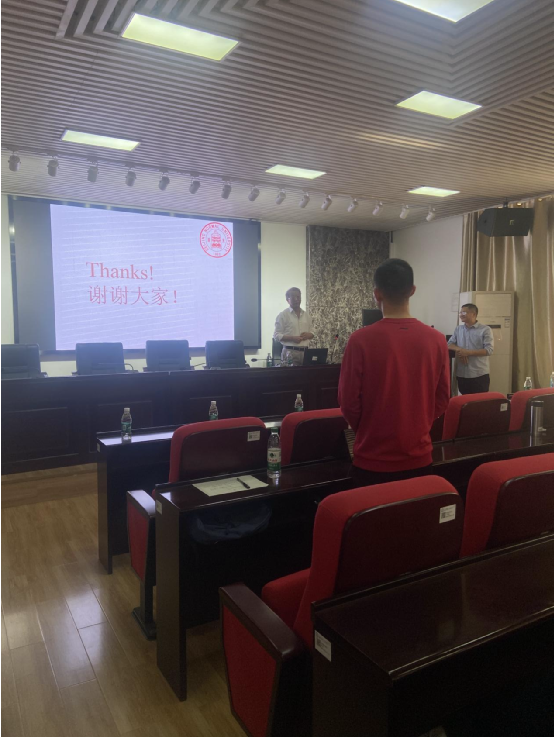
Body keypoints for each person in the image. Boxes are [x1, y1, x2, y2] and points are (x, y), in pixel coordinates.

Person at [339, 258, 450, 485]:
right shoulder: (437, 339)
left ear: (376, 294)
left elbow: (348, 402)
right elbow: (442, 398)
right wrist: (416, 423)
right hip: (420, 458)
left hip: (372, 459)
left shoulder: (360, 340)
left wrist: (369, 429)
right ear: (412, 290)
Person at [448, 304, 494, 394]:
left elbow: (489, 350)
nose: (461, 315)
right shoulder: (458, 329)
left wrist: (468, 352)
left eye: (464, 312)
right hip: (462, 374)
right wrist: (460, 350)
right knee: (465, 400)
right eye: (460, 313)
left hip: (479, 374)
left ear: (473, 314)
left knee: (479, 401)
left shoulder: (485, 329)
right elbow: (449, 344)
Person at [274, 287, 314, 366]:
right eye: (293, 297)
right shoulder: (283, 315)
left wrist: (310, 335)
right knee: (290, 374)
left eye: (298, 297)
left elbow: (312, 332)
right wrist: (292, 338)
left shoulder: (307, 315)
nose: (296, 299)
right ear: (287, 300)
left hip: (305, 352)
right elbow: (276, 335)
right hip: (290, 352)